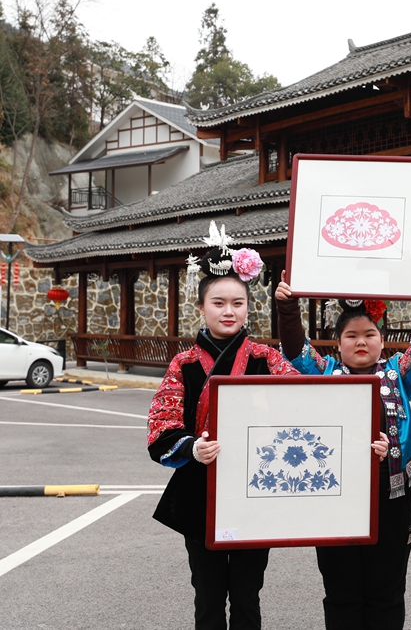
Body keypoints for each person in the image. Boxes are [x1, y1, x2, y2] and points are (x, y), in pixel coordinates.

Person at [147, 221, 299, 630]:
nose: (228, 311)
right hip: (201, 488)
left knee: (248, 594)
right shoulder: (185, 363)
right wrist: (192, 447)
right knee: (208, 594)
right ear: (201, 307)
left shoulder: (267, 359)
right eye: (218, 303)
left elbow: (305, 404)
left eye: (237, 303)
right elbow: (163, 421)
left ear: (249, 307)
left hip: (257, 486)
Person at [274, 273, 411, 630]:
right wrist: (287, 306)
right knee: (341, 590)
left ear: (382, 340)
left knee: (387, 591)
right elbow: (294, 350)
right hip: (336, 496)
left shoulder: (398, 375)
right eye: (351, 336)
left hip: (392, 496)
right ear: (338, 344)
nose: (361, 342)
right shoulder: (326, 373)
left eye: (370, 334)